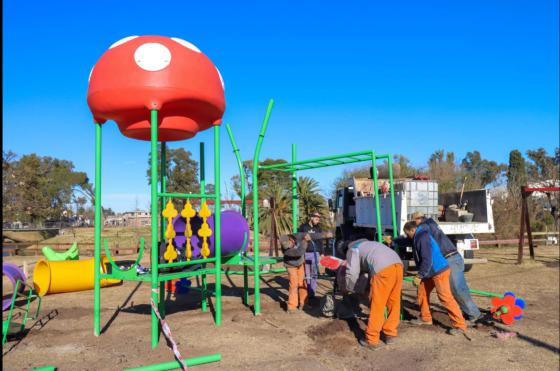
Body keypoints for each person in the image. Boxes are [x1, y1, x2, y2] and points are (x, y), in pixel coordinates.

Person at [412, 212, 482, 324]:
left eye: (413, 222)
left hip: (449, 259)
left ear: (418, 219)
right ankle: (426, 317)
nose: (413, 225)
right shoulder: (430, 224)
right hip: (445, 260)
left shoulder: (424, 227)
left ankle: (473, 315)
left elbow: (417, 238)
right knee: (423, 290)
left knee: (456, 289)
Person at [402, 221, 467, 335]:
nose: (408, 236)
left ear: (412, 230)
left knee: (445, 297)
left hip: (438, 270)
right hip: (430, 271)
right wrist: (395, 241)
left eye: (407, 234)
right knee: (422, 292)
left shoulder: (422, 238)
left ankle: (460, 325)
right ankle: (426, 318)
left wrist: (420, 275)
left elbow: (427, 259)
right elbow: (408, 241)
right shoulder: (419, 234)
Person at [344, 238, 404, 350]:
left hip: (383, 269)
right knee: (394, 302)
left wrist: (349, 288)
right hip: (398, 265)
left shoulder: (353, 250)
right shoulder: (370, 244)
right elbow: (371, 266)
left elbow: (352, 272)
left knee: (377, 305)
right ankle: (390, 333)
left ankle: (372, 340)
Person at [298, 212, 331, 299]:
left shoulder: (318, 229)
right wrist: (303, 238)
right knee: (307, 273)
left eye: (319, 219)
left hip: (315, 253)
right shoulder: (303, 227)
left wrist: (322, 253)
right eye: (316, 219)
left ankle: (312, 292)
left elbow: (321, 242)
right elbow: (298, 238)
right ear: (311, 217)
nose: (318, 221)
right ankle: (308, 291)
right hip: (305, 253)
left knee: (314, 274)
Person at [280, 233, 310, 313]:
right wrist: (305, 242)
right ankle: (292, 306)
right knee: (294, 284)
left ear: (290, 239)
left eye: (289, 244)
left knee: (302, 283)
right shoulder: (286, 251)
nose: (289, 246)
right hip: (291, 265)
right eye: (287, 246)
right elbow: (299, 252)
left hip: (300, 263)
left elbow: (308, 235)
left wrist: (324, 235)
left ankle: (303, 303)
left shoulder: (296, 236)